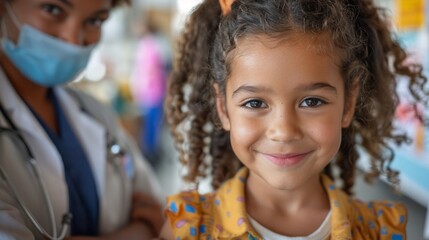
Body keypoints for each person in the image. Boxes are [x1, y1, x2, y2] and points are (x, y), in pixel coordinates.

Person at [160, 0, 429, 239]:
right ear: (223, 107)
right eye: (255, 103)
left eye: (311, 101)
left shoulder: (379, 231)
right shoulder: (188, 228)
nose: (284, 131)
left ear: (348, 103)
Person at [0, 0, 164, 239]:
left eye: (94, 21)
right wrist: (139, 232)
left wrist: (152, 226)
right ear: (4, 7)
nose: (74, 39)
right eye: (53, 10)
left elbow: (159, 214)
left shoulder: (96, 113)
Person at [130, 17, 171, 168]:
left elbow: (152, 70)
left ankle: (152, 155)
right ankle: (151, 152)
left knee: (152, 125)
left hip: (153, 92)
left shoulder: (152, 45)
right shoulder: (145, 45)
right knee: (150, 125)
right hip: (148, 92)